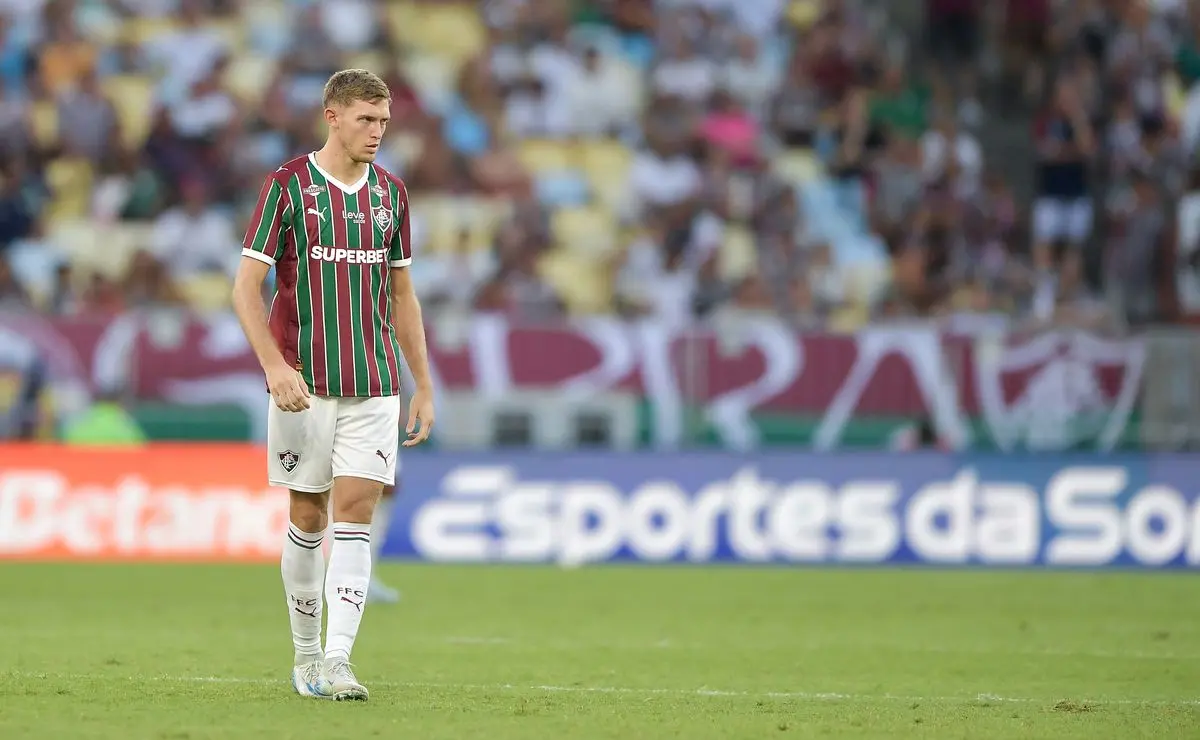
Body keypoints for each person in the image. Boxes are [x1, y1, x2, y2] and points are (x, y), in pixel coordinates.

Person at [231, 68, 435, 702]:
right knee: (307, 514)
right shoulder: (289, 187)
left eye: (383, 121)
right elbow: (245, 288)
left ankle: (340, 661)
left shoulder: (392, 196)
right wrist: (273, 365)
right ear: (333, 117)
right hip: (304, 383)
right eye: (365, 120)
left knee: (356, 513)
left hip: (374, 382)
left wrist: (421, 384)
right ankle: (306, 655)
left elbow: (403, 296)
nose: (376, 132)